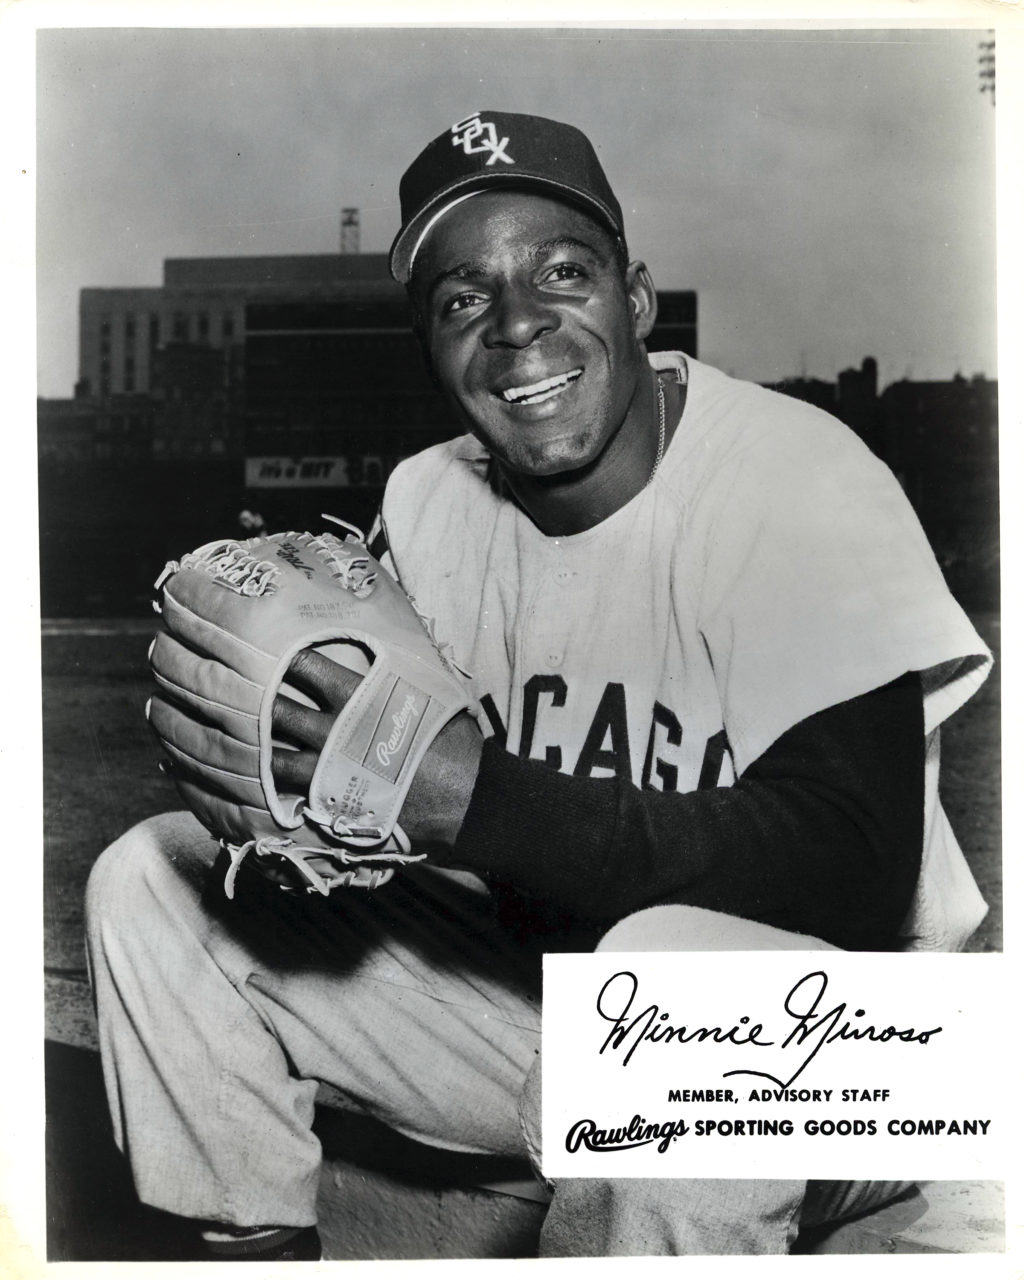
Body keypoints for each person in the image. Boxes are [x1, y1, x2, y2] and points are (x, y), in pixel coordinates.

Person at [86, 110, 992, 1260]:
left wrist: (474, 801)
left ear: (637, 297)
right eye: (465, 299)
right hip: (546, 1006)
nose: (517, 325)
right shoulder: (425, 500)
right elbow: (400, 806)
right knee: (151, 880)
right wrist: (299, 773)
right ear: (432, 344)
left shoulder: (795, 477)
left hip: (867, 1054)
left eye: (561, 273)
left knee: (667, 971)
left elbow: (860, 873)